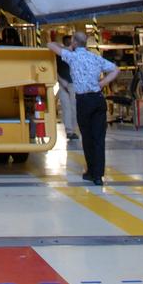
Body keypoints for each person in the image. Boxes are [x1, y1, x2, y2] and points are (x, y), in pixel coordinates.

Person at [48, 31, 119, 185]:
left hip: (84, 101)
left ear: (73, 42)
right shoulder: (95, 57)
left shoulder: (72, 57)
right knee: (99, 139)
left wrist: (67, 46)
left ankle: (91, 172)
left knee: (87, 137)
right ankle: (98, 176)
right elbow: (115, 69)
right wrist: (102, 83)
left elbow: (50, 45)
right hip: (98, 99)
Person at [56, 34, 78, 142]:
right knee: (68, 107)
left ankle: (71, 130)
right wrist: (60, 80)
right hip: (66, 84)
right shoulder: (60, 54)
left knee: (71, 107)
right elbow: (55, 68)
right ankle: (70, 131)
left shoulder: (75, 54)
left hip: (71, 84)